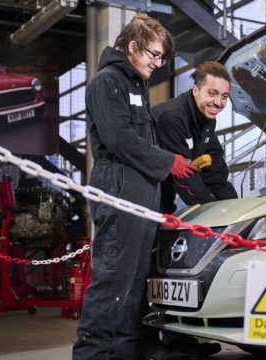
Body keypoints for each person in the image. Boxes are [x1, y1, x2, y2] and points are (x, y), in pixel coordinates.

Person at [72, 15, 197, 360]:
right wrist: (167, 161)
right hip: (120, 188)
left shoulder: (136, 85)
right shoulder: (107, 82)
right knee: (113, 278)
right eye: (154, 56)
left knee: (134, 283)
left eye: (162, 60)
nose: (157, 65)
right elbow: (119, 139)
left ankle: (124, 351)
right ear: (132, 47)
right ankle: (91, 354)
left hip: (142, 191)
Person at [153, 61, 238, 213]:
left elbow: (215, 165)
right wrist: (210, 210)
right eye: (212, 94)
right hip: (138, 186)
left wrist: (233, 206)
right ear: (195, 90)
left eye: (224, 96)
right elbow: (183, 175)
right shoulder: (173, 119)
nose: (218, 102)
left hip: (163, 185)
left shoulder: (206, 117)